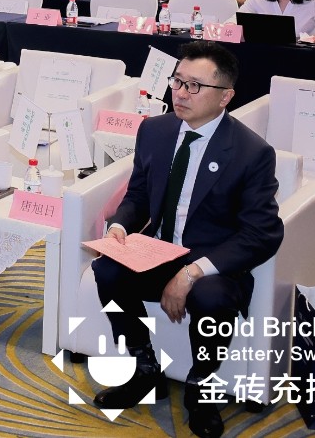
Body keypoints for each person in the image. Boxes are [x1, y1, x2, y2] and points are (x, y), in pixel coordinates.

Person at [89, 41, 284, 438]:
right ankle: (145, 368)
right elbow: (138, 195)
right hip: (158, 250)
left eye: (194, 86)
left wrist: (192, 272)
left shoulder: (252, 153)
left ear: (225, 96)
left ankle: (201, 386)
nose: (180, 93)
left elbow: (262, 234)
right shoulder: (155, 130)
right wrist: (120, 227)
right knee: (106, 270)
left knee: (211, 299)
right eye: (177, 81)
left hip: (213, 262)